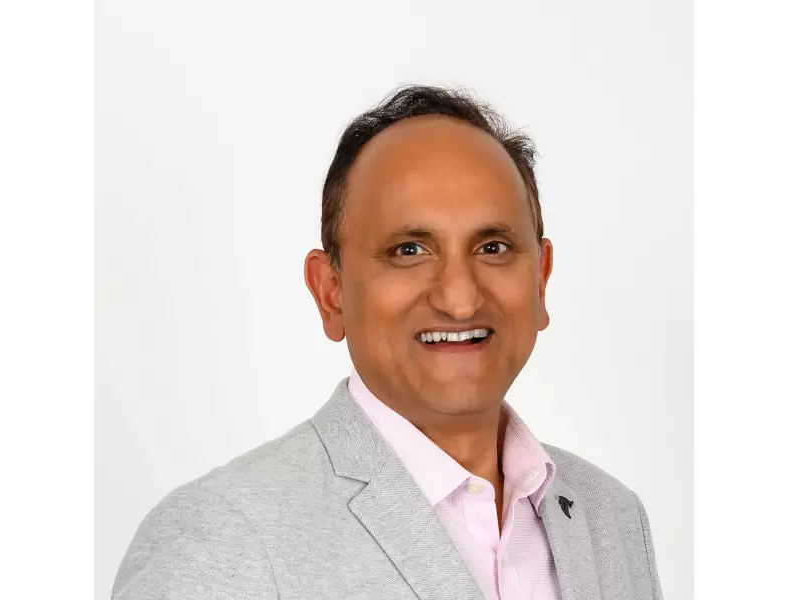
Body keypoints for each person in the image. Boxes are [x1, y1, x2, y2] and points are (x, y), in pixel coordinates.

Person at [111, 85, 663, 600]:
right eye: (409, 250)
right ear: (331, 293)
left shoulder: (612, 520)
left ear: (540, 279)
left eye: (493, 247)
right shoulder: (220, 542)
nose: (460, 299)